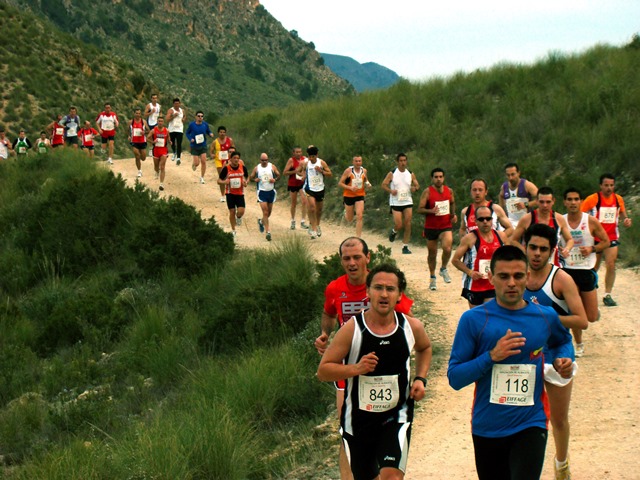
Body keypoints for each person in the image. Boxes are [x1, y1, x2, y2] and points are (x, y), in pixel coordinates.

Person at [448, 245, 574, 480]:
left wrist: (562, 358)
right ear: (492, 278)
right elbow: (455, 378)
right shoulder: (473, 320)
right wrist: (491, 356)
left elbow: (562, 341)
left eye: (518, 276)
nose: (512, 283)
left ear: (527, 277)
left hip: (531, 422)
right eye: (504, 276)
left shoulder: (545, 316)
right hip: (487, 426)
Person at [317, 263, 432, 480]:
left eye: (390, 289)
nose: (384, 294)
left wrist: (420, 379)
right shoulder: (352, 329)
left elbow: (425, 348)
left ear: (399, 295)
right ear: (368, 292)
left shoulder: (410, 326)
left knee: (391, 476)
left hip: (396, 415)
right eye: (378, 288)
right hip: (359, 421)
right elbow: (323, 370)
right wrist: (356, 368)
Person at [523, 224, 588, 480]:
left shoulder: (561, 279)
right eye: (532, 248)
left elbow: (582, 320)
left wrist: (547, 319)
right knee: (526, 414)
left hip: (558, 351)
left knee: (558, 418)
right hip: (527, 352)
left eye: (543, 249)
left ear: (552, 251)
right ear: (525, 248)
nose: (537, 254)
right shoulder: (517, 276)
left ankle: (561, 464)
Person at [561, 188, 610, 356]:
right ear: (564, 202)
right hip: (567, 271)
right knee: (573, 312)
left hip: (585, 270)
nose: (573, 202)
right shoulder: (561, 220)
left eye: (576, 199)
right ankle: (578, 344)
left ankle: (594, 311)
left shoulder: (590, 221)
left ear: (581, 201)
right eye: (569, 199)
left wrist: (592, 248)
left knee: (590, 317)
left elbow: (606, 241)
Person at [580, 173, 632, 306]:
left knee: (611, 264)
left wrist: (625, 219)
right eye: (606, 185)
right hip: (595, 238)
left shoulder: (618, 199)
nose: (609, 188)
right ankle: (587, 291)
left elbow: (622, 213)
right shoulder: (592, 199)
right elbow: (580, 214)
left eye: (611, 185)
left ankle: (607, 294)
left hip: (611, 237)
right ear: (600, 186)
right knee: (594, 267)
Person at [452, 206, 508, 308]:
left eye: (488, 218)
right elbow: (455, 260)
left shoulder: (501, 236)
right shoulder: (469, 238)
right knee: (478, 318)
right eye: (481, 219)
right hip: (474, 285)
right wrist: (470, 272)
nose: (485, 221)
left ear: (492, 220)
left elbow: (508, 258)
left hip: (493, 284)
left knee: (491, 314)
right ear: (476, 222)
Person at [510, 186, 574, 265]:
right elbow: (513, 240)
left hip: (553, 264)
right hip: (531, 265)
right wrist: (525, 251)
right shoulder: (527, 219)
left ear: (553, 201)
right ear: (536, 201)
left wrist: (566, 249)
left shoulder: (559, 219)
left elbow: (570, 239)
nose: (545, 205)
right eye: (541, 202)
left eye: (548, 202)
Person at [417, 167, 457, 289]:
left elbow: (452, 202)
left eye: (440, 177)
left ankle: (443, 268)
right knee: (432, 254)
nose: (438, 179)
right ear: (432, 178)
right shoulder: (427, 192)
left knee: (447, 247)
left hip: (445, 225)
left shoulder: (449, 191)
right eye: (436, 177)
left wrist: (453, 214)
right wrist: (431, 211)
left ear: (443, 178)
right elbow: (419, 209)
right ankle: (432, 277)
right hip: (431, 227)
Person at [381, 153, 420, 254]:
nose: (403, 163)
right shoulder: (392, 173)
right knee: (399, 224)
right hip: (396, 201)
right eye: (401, 161)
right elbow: (384, 185)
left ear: (406, 161)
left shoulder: (410, 173)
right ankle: (394, 231)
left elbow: (417, 185)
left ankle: (405, 246)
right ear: (397, 162)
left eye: (404, 160)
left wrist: (414, 188)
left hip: (407, 200)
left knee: (408, 223)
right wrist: (391, 191)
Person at [297, 145, 332, 239]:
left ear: (316, 155)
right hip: (310, 188)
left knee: (319, 210)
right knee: (312, 208)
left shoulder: (321, 162)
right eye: (309, 156)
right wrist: (302, 176)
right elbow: (299, 171)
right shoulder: (306, 163)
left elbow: (330, 174)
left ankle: (317, 225)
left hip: (320, 188)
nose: (311, 158)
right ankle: (313, 229)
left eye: (313, 156)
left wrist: (321, 171)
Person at [338, 155, 372, 238]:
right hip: (348, 195)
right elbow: (340, 183)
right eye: (356, 161)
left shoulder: (364, 171)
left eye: (359, 161)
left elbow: (365, 180)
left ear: (361, 162)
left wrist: (368, 184)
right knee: (350, 219)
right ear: (353, 162)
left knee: (359, 216)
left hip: (360, 195)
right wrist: (350, 188)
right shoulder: (348, 171)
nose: (358, 163)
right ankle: (346, 213)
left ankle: (358, 237)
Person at [250, 152, 281, 241]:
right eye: (263, 160)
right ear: (260, 160)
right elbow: (251, 177)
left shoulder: (272, 166)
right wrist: (254, 179)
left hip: (271, 192)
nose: (264, 162)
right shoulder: (257, 168)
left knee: (269, 213)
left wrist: (274, 179)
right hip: (262, 192)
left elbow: (278, 175)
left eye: (266, 160)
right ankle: (268, 232)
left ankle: (261, 222)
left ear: (268, 160)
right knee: (265, 212)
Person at [217, 151, 248, 237]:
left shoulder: (242, 167)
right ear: (230, 159)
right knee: (232, 211)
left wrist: (245, 182)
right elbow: (218, 181)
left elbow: (247, 177)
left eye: (238, 158)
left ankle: (238, 217)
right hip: (230, 193)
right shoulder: (226, 169)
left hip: (240, 193)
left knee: (241, 211)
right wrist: (224, 182)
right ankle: (233, 230)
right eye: (234, 158)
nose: (236, 160)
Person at [498, 162, 538, 227]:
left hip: (527, 222)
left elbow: (541, 199)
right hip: (511, 223)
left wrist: (526, 204)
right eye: (508, 175)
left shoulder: (527, 185)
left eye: (513, 174)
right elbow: (501, 196)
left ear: (518, 173)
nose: (511, 178)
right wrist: (502, 211)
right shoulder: (504, 187)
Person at [283, 146, 309, 230]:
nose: (299, 153)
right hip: (293, 183)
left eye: (300, 152)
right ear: (293, 153)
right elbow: (285, 172)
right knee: (294, 203)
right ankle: (293, 221)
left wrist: (303, 175)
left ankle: (303, 221)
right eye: (297, 152)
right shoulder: (291, 160)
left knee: (304, 201)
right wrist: (295, 171)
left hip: (301, 183)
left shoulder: (304, 159)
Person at [185, 111, 214, 184]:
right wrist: (190, 139)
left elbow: (208, 131)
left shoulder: (205, 124)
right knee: (197, 163)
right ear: (195, 117)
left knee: (204, 161)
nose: (200, 117)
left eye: (201, 116)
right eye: (198, 116)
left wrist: (210, 134)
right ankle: (194, 164)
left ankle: (202, 177)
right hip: (194, 146)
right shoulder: (192, 125)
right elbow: (187, 133)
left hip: (203, 145)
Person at [211, 125, 236, 202]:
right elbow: (211, 151)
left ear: (225, 133)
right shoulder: (215, 142)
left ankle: (232, 193)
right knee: (222, 177)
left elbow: (234, 149)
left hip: (228, 160)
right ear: (218, 133)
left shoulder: (230, 140)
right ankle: (222, 195)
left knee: (230, 177)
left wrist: (233, 156)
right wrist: (212, 155)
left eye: (223, 132)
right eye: (221, 132)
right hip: (219, 161)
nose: (222, 134)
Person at [147, 116, 171, 191]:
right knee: (156, 167)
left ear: (163, 122)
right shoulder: (153, 130)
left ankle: (161, 184)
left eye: (161, 121)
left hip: (163, 150)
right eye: (159, 121)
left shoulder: (166, 130)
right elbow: (147, 138)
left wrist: (170, 142)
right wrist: (153, 142)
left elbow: (168, 139)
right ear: (157, 122)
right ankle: (156, 171)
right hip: (156, 150)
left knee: (162, 166)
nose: (160, 123)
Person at [129, 108, 149, 178]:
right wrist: (128, 136)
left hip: (142, 141)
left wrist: (144, 132)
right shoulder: (131, 122)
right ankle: (139, 171)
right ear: (134, 114)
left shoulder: (143, 122)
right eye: (136, 113)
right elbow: (127, 130)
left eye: (139, 113)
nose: (138, 115)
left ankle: (140, 159)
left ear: (140, 114)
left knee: (143, 158)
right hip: (134, 141)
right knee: (137, 155)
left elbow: (148, 130)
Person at [166, 98, 186, 165]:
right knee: (172, 142)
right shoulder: (171, 110)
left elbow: (185, 116)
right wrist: (173, 116)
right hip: (172, 129)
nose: (177, 105)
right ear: (173, 104)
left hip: (179, 129)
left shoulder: (182, 110)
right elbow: (167, 119)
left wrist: (183, 119)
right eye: (175, 104)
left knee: (179, 143)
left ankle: (178, 158)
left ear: (180, 104)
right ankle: (174, 152)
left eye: (178, 104)